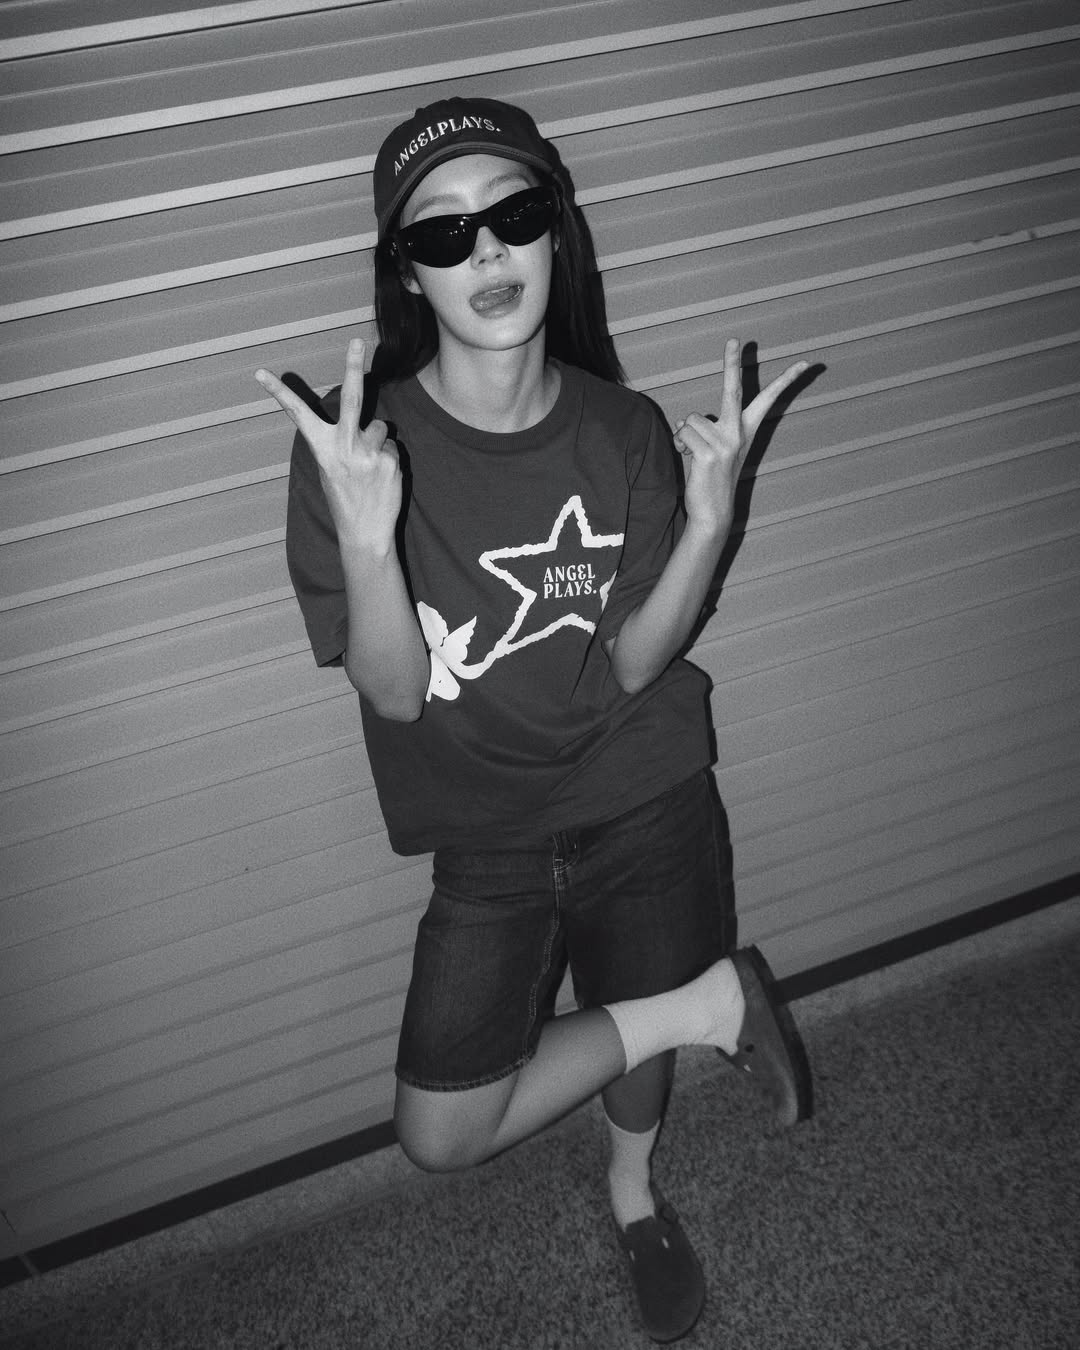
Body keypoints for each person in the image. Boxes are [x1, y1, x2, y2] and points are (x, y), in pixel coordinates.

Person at [256, 97, 812, 1344]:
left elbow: (637, 663)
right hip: (490, 838)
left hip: (646, 795)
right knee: (439, 1131)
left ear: (557, 231)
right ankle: (709, 1003)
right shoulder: (355, 450)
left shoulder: (621, 430)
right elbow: (396, 692)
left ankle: (635, 1194)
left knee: (633, 1042)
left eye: (512, 214)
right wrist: (366, 537)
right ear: (407, 272)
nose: (488, 253)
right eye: (441, 233)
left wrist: (711, 524)